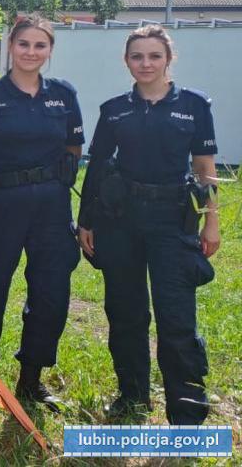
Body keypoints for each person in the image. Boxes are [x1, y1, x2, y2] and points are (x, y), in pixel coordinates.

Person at [78, 24, 219, 425]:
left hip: (173, 222)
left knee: (176, 317)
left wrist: (212, 224)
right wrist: (86, 221)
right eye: (137, 56)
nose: (146, 63)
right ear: (127, 61)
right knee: (126, 312)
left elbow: (205, 170)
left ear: (168, 59)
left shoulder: (193, 106)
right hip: (119, 221)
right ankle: (132, 395)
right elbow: (98, 166)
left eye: (154, 55)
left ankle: (186, 409)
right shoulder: (114, 109)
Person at [0, 15, 84, 412]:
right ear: (11, 47)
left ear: (50, 51)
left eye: (40, 45)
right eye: (24, 44)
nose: (31, 52)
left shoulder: (64, 94)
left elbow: (74, 149)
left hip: (51, 208)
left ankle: (30, 381)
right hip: (1, 207)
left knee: (51, 294)